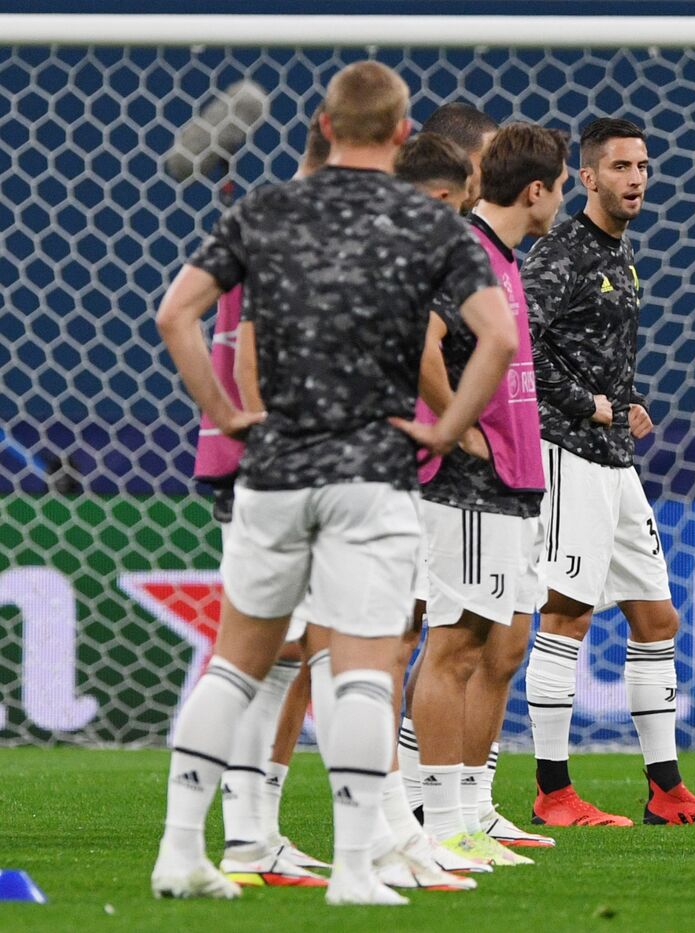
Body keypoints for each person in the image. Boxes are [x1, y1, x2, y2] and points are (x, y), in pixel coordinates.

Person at [150, 61, 514, 906]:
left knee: (233, 667)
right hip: (371, 475)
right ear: (400, 134)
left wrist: (227, 410)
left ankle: (181, 852)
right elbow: (492, 336)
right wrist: (446, 430)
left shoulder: (265, 208)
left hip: (273, 472)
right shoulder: (426, 222)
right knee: (358, 670)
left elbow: (176, 313)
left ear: (322, 121)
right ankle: (355, 869)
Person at [521, 117, 695, 827]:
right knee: (566, 614)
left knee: (657, 617)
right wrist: (585, 405)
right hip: (567, 455)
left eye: (643, 165)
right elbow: (515, 339)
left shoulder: (619, 256)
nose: (636, 178)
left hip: (614, 459)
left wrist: (626, 402)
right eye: (620, 166)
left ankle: (666, 790)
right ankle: (553, 790)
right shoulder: (563, 251)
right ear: (586, 177)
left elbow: (585, 347)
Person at [409, 122, 569, 867]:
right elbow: (421, 340)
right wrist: (454, 423)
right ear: (537, 190)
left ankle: (471, 810)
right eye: (563, 184)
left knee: (499, 643)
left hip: (511, 478)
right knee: (453, 645)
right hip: (468, 484)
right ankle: (438, 822)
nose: (562, 198)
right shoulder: (464, 250)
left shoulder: (502, 256)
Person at [209, 110, 333, 888]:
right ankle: (241, 840)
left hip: (258, 456)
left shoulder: (260, 222)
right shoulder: (294, 229)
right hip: (271, 464)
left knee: (283, 652)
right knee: (255, 656)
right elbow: (250, 349)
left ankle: (259, 834)